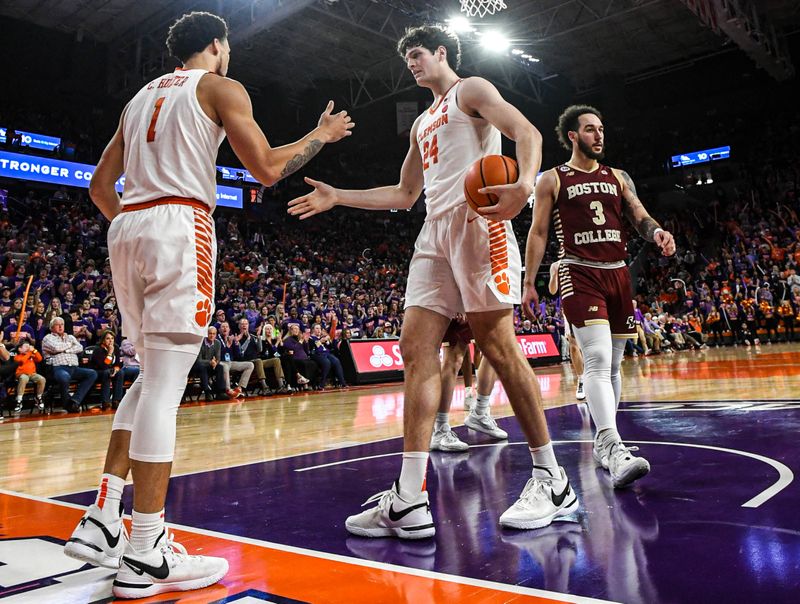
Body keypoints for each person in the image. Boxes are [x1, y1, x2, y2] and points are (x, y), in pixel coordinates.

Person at [63, 11, 353, 599]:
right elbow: (268, 169)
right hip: (178, 222)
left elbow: (99, 188)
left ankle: (101, 518)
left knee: (147, 382)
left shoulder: (139, 97)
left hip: (130, 227)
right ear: (217, 47)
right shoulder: (219, 86)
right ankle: (145, 549)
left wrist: (135, 231)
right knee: (164, 388)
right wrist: (319, 137)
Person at [289, 25, 577, 536]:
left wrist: (524, 185)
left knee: (497, 343)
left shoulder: (472, 90)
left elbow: (527, 133)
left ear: (442, 52)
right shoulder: (423, 120)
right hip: (434, 231)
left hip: (477, 222)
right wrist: (340, 195)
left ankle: (552, 478)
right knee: (415, 348)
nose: (412, 65)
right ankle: (409, 496)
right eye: (407, 59)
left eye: (418, 54)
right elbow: (403, 194)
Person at [524, 105, 676, 489]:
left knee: (613, 367)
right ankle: (611, 444)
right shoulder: (552, 179)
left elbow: (639, 214)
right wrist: (529, 282)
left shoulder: (618, 177)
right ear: (573, 136)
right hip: (579, 270)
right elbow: (539, 232)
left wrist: (655, 231)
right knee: (596, 358)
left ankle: (603, 442)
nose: (599, 135)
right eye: (590, 130)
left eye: (601, 129)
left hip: (618, 273)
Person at [549, 260, 585, 400]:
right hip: (570, 306)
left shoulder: (582, 259)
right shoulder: (556, 264)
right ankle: (581, 380)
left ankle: (597, 377)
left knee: (591, 347)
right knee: (574, 346)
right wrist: (555, 275)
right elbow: (552, 290)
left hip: (589, 303)